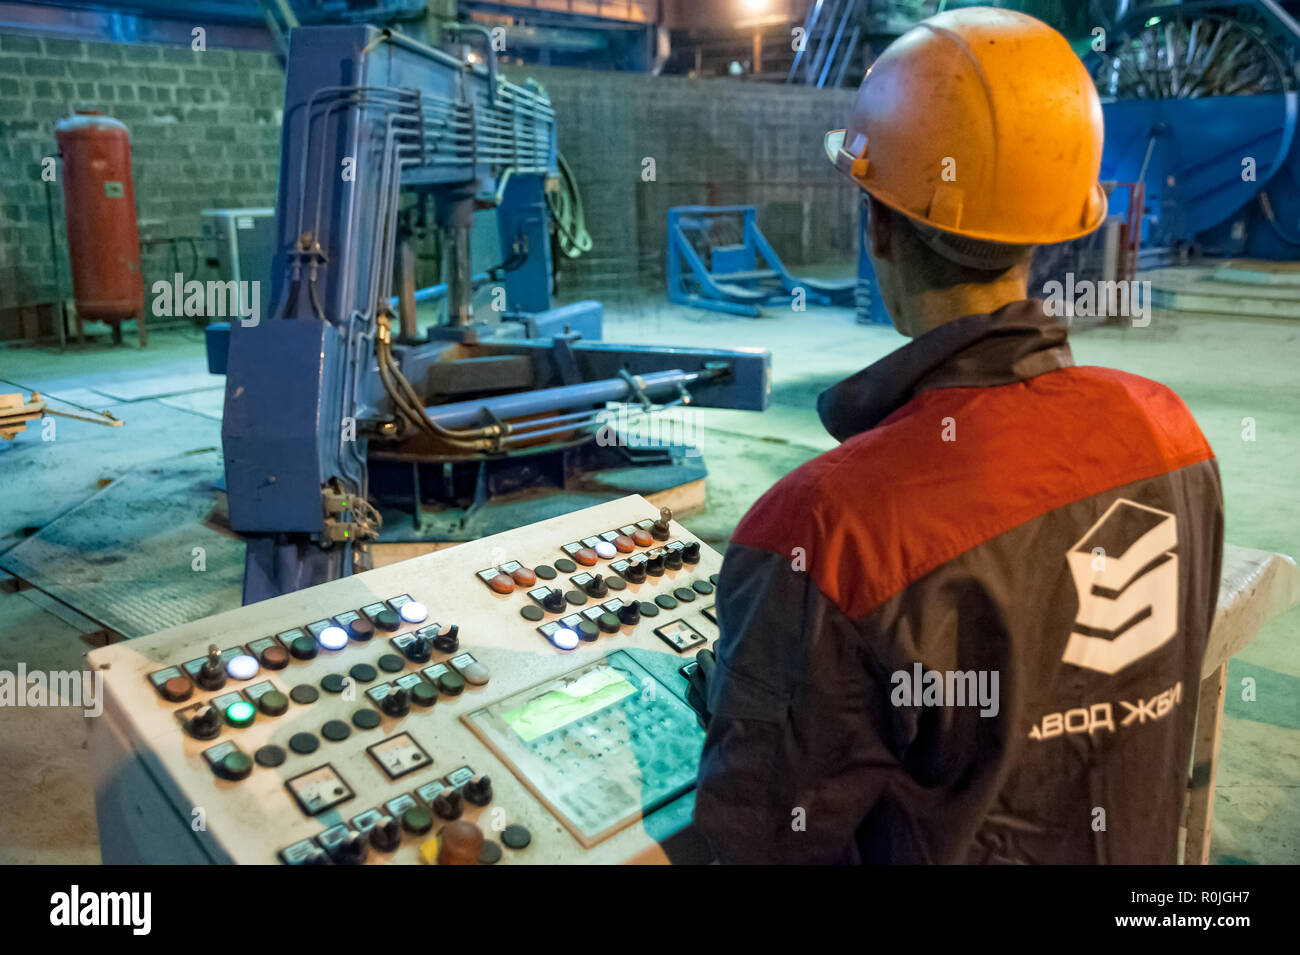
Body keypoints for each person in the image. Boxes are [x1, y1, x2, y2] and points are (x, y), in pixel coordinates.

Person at [689, 7, 1224, 864]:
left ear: (880, 227)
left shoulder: (825, 531)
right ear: (1062, 225)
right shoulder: (1172, 436)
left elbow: (747, 846)